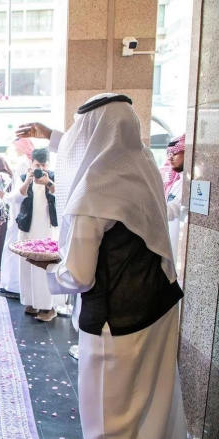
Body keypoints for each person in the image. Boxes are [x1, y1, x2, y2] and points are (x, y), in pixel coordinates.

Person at [20, 94, 186, 438]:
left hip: (117, 323)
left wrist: (49, 272)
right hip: (159, 306)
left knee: (109, 421)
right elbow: (91, 145)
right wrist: (52, 135)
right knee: (154, 408)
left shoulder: (93, 190)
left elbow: (79, 275)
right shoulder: (143, 169)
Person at [15, 148, 63, 322]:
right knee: (28, 267)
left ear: (48, 165)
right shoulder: (24, 178)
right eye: (37, 165)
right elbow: (16, 198)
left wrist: (48, 182)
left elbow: (62, 196)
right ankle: (33, 302)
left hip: (48, 231)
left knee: (47, 268)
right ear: (31, 164)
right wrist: (28, 181)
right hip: (28, 229)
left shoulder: (54, 178)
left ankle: (49, 307)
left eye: (43, 165)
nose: (40, 168)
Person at [0, 138, 34, 298]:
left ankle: (13, 286)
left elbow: (20, 192)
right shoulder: (28, 162)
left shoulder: (23, 164)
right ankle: (12, 285)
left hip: (18, 211)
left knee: (13, 247)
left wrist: (4, 196)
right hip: (21, 211)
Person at [165, 134, 185, 262]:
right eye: (169, 153)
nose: (170, 157)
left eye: (175, 153)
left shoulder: (188, 183)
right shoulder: (176, 181)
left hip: (179, 244)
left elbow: (172, 210)